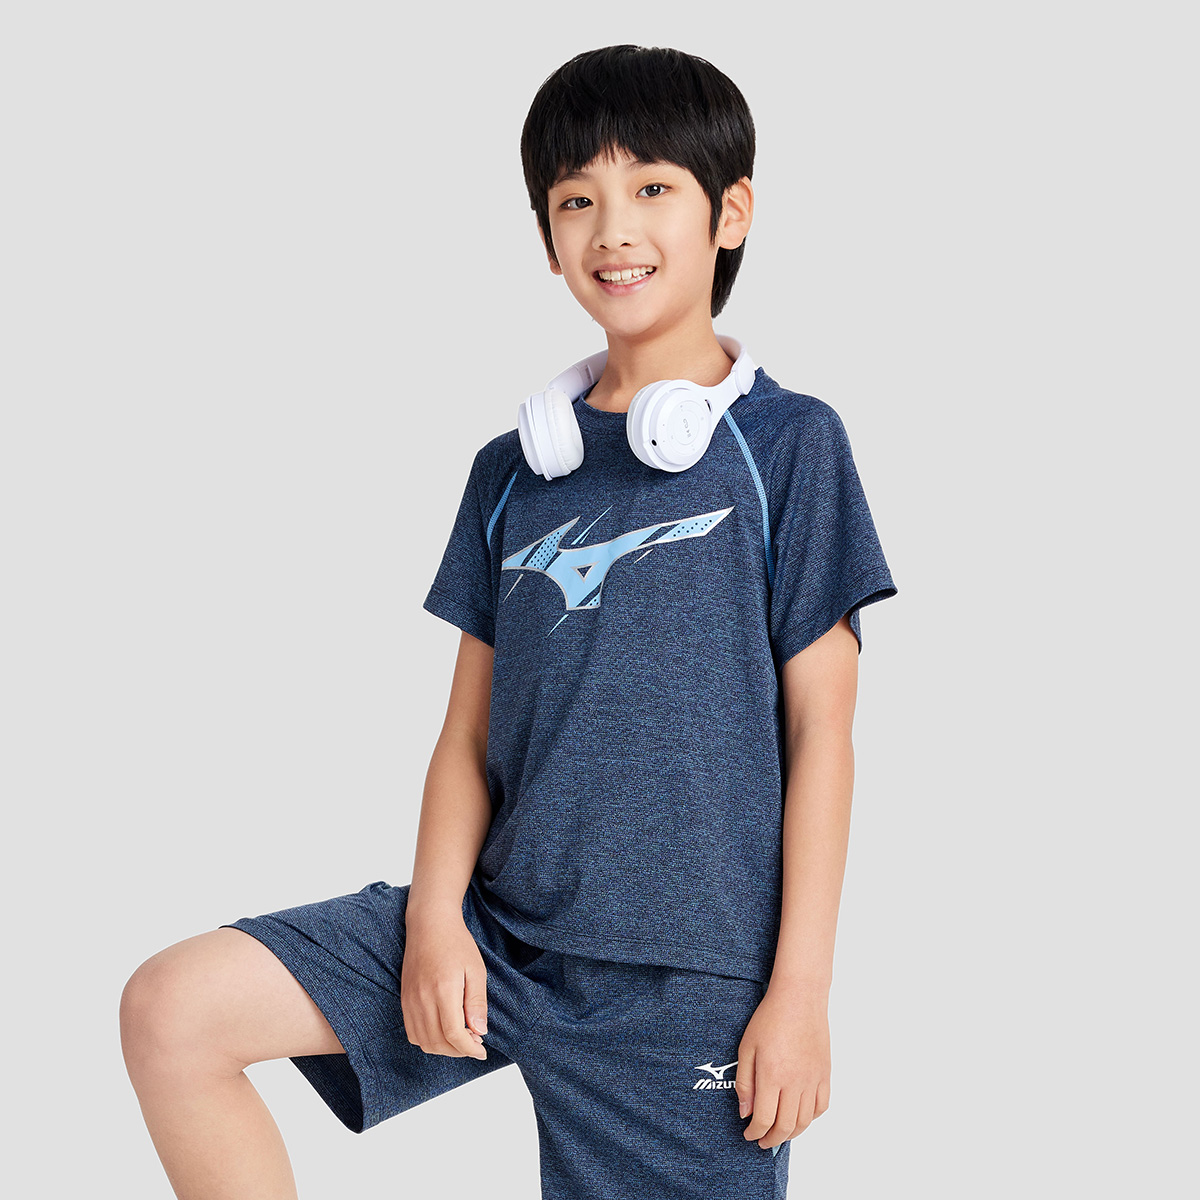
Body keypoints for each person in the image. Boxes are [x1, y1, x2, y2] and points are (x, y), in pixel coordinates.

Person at [120, 43, 898, 1200]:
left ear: (730, 212)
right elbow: (467, 735)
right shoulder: (514, 472)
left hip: (688, 986)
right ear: (546, 236)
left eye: (651, 189)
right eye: (576, 200)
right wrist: (437, 919)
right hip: (499, 934)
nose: (612, 230)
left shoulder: (791, 447)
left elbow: (823, 735)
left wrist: (801, 994)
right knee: (174, 1010)